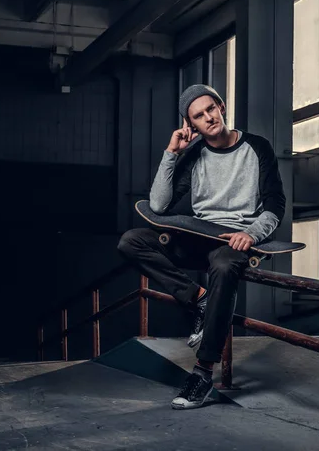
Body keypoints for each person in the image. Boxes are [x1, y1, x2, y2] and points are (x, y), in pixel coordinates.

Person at [117, 84, 286, 410]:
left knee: (224, 267)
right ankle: (201, 299)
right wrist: (172, 153)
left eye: (211, 109)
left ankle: (203, 372)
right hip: (198, 236)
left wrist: (251, 234)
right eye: (198, 116)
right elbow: (159, 205)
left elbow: (275, 205)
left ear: (221, 107)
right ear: (191, 125)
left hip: (235, 240)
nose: (208, 117)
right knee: (132, 241)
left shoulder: (257, 147)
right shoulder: (193, 153)